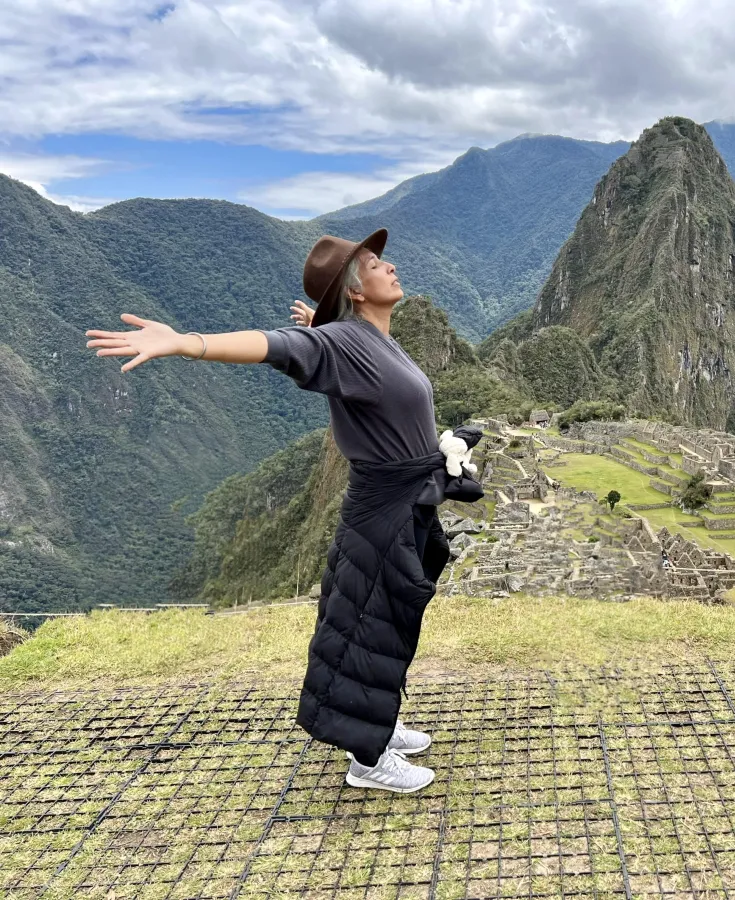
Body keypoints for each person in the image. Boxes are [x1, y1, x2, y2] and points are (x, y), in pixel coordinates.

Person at [84, 228, 480, 795]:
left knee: (390, 621)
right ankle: (367, 763)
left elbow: (345, 365)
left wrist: (323, 328)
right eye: (373, 264)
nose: (387, 267)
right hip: (381, 513)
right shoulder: (340, 342)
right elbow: (275, 345)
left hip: (405, 501)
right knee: (369, 623)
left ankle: (379, 726)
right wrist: (185, 342)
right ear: (356, 291)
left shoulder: (371, 338)